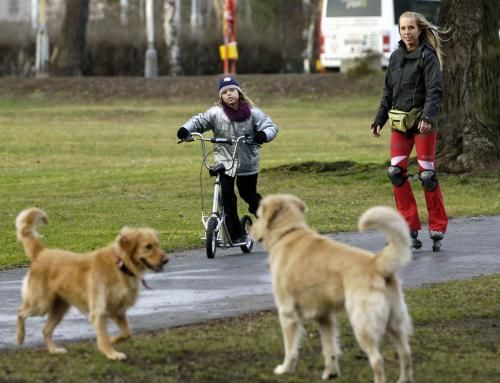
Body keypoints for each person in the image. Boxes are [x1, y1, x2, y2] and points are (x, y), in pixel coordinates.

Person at [371, 11, 448, 249]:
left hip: (423, 123)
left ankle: (437, 225)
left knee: (427, 175)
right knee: (395, 173)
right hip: (400, 124)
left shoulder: (428, 56)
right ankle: (408, 226)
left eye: (411, 28)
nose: (407, 32)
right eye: (403, 28)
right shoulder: (395, 57)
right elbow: (388, 92)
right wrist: (379, 119)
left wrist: (427, 117)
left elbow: (435, 90)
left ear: (419, 30)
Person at [177, 76, 279, 243]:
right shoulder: (216, 113)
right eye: (224, 92)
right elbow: (199, 121)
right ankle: (236, 234)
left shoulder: (253, 113)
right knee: (227, 197)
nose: (229, 94)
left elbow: (271, 127)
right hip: (224, 161)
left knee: (249, 194)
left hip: (247, 160)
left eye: (232, 90)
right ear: (221, 97)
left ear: (239, 92)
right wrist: (185, 129)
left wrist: (262, 135)